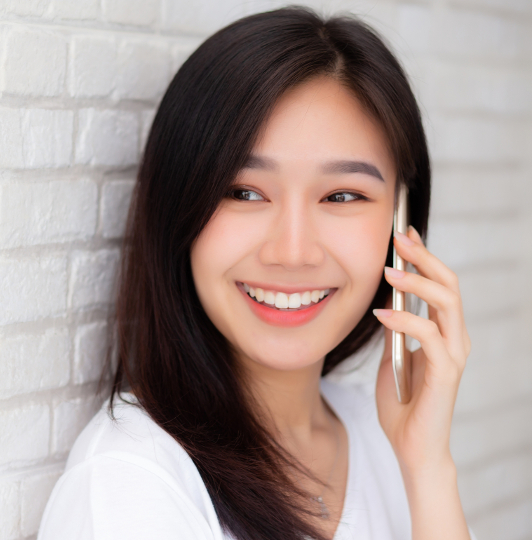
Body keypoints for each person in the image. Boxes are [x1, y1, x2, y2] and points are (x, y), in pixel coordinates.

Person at [37, 7, 476, 540]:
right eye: (244, 192)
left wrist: (429, 467)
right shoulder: (133, 480)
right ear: (180, 205)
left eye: (342, 195)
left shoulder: (385, 437)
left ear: (400, 223)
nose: (292, 252)